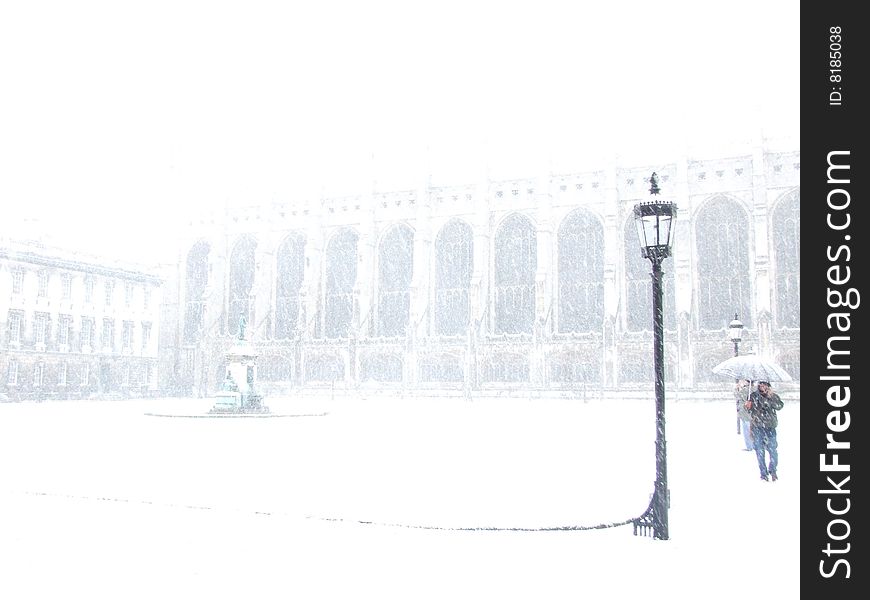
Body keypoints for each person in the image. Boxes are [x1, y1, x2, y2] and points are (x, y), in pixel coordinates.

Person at [744, 380, 785, 481]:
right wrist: (747, 406)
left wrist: (771, 398)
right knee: (759, 450)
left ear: (768, 386)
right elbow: (749, 411)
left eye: (764, 385)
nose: (762, 386)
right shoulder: (753, 396)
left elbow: (780, 406)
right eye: (760, 384)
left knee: (773, 450)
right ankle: (763, 473)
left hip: (770, 426)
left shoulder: (773, 396)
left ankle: (773, 470)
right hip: (757, 426)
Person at [734, 379, 753, 450]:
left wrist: (737, 388)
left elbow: (737, 395)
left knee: (747, 431)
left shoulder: (747, 390)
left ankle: (749, 446)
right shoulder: (753, 389)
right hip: (748, 414)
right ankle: (752, 445)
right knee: (750, 430)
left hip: (745, 414)